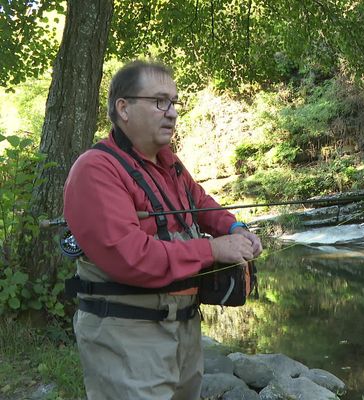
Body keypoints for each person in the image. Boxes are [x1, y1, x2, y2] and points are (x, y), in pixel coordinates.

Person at [63, 60, 262, 399]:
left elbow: (198, 202)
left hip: (182, 327)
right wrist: (213, 250)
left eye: (174, 102)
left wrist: (235, 226)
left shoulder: (167, 160)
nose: (171, 112)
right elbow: (131, 257)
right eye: (159, 101)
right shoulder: (95, 170)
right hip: (127, 334)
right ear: (123, 108)